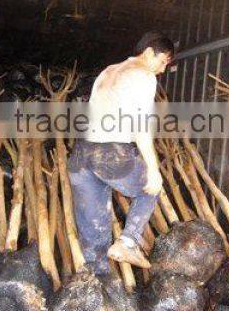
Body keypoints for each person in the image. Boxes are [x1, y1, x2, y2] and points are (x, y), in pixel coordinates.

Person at [68, 32, 174, 275]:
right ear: (149, 52)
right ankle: (128, 242)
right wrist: (154, 170)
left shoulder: (108, 71)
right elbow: (140, 126)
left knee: (93, 224)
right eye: (162, 62)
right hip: (111, 152)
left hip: (82, 154)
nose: (162, 70)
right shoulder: (143, 75)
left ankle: (97, 279)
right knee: (151, 188)